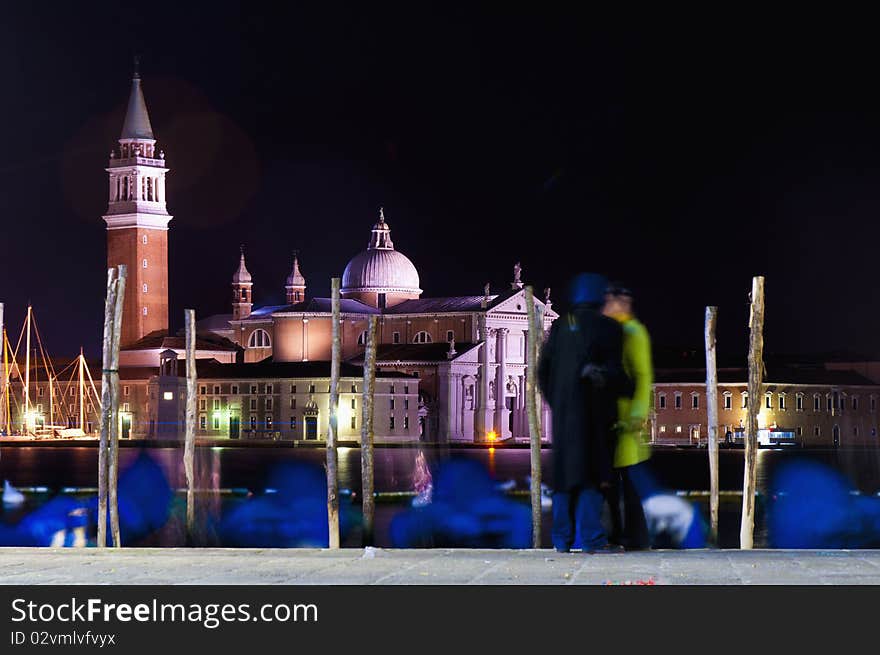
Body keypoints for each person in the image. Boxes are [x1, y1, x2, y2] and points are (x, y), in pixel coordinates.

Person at [538, 272, 632, 553]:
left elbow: (542, 373)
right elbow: (617, 376)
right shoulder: (610, 329)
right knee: (593, 477)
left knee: (564, 480)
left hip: (564, 421)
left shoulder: (559, 328)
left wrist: (558, 403)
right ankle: (591, 539)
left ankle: (561, 540)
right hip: (595, 417)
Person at [602, 282, 653, 549]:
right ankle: (624, 536)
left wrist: (636, 414)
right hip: (614, 421)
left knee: (626, 486)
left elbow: (643, 375)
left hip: (627, 423)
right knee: (614, 483)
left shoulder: (633, 331)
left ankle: (633, 538)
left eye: (610, 301)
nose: (606, 306)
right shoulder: (617, 330)